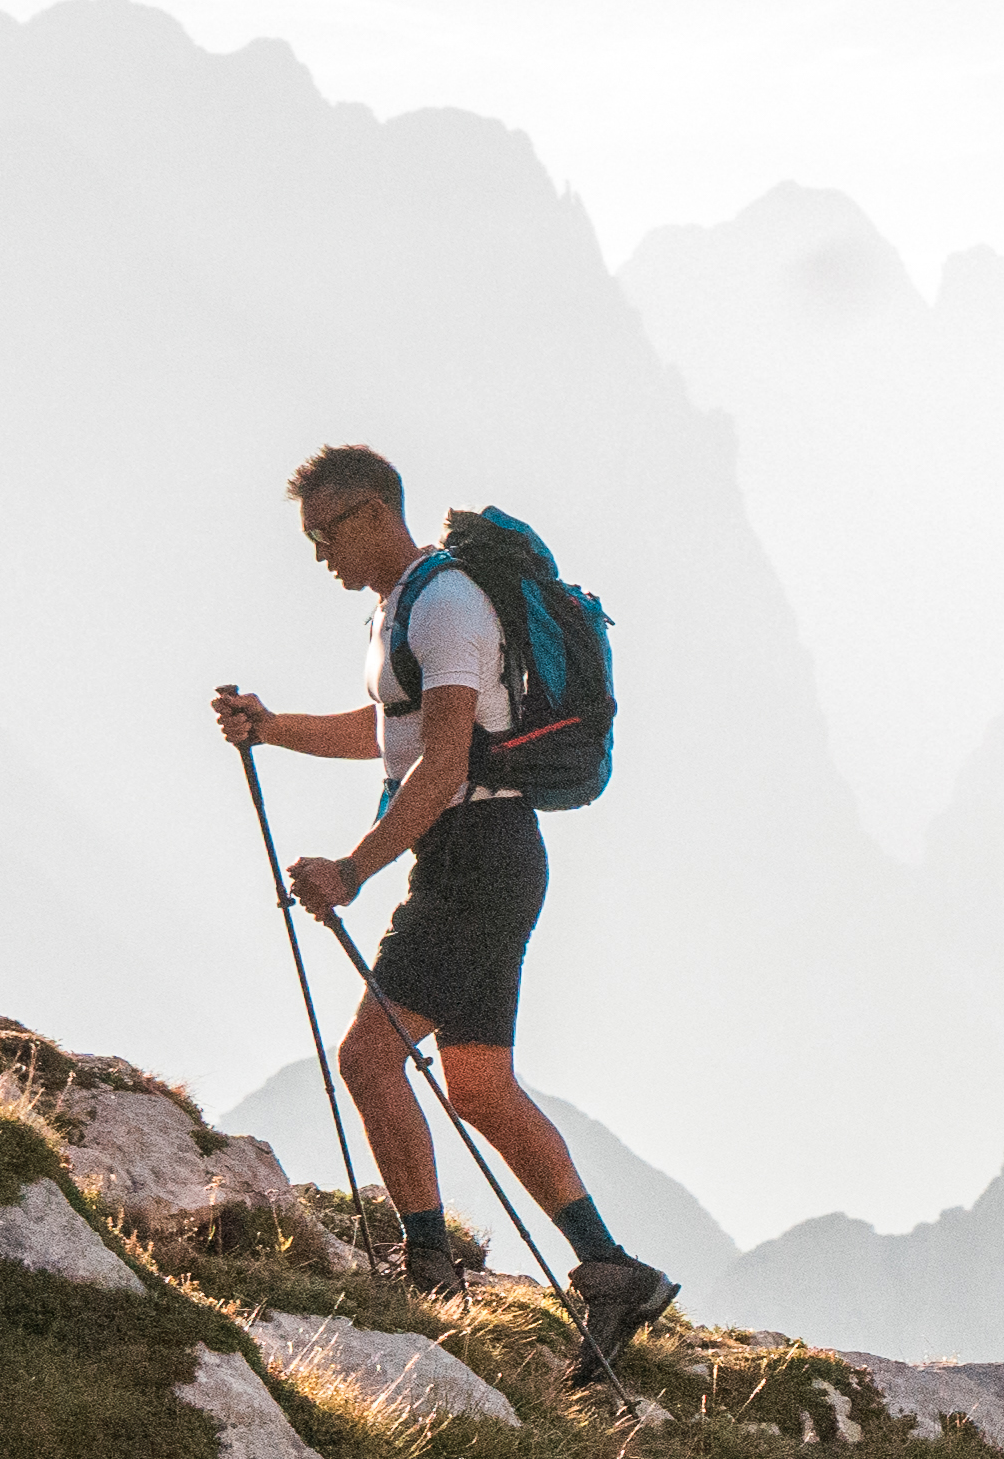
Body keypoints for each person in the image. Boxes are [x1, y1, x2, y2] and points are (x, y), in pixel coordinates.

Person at [210, 445, 677, 1372]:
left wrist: (353, 870)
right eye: (311, 539)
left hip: (477, 858)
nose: (320, 554)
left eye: (328, 532)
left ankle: (428, 1270)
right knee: (478, 1086)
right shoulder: (399, 611)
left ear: (377, 513)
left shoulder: (448, 604)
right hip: (479, 856)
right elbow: (389, 734)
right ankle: (613, 1271)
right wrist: (273, 728)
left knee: (368, 1057)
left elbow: (445, 760)